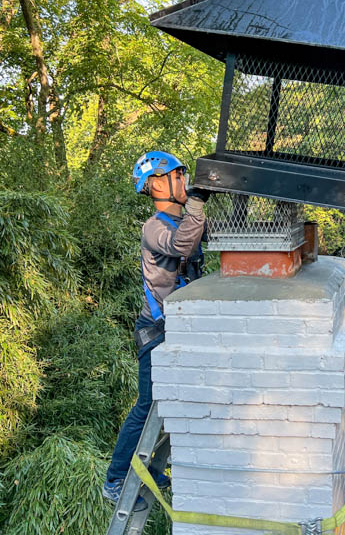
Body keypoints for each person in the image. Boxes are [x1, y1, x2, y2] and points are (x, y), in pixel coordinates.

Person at [102, 151, 210, 511]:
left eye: (183, 175)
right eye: (177, 176)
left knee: (173, 400)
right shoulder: (155, 227)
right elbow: (183, 245)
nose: (184, 181)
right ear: (156, 184)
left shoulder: (187, 221)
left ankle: (150, 463)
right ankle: (115, 479)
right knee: (147, 404)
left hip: (179, 327)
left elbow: (206, 235)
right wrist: (196, 204)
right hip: (156, 329)